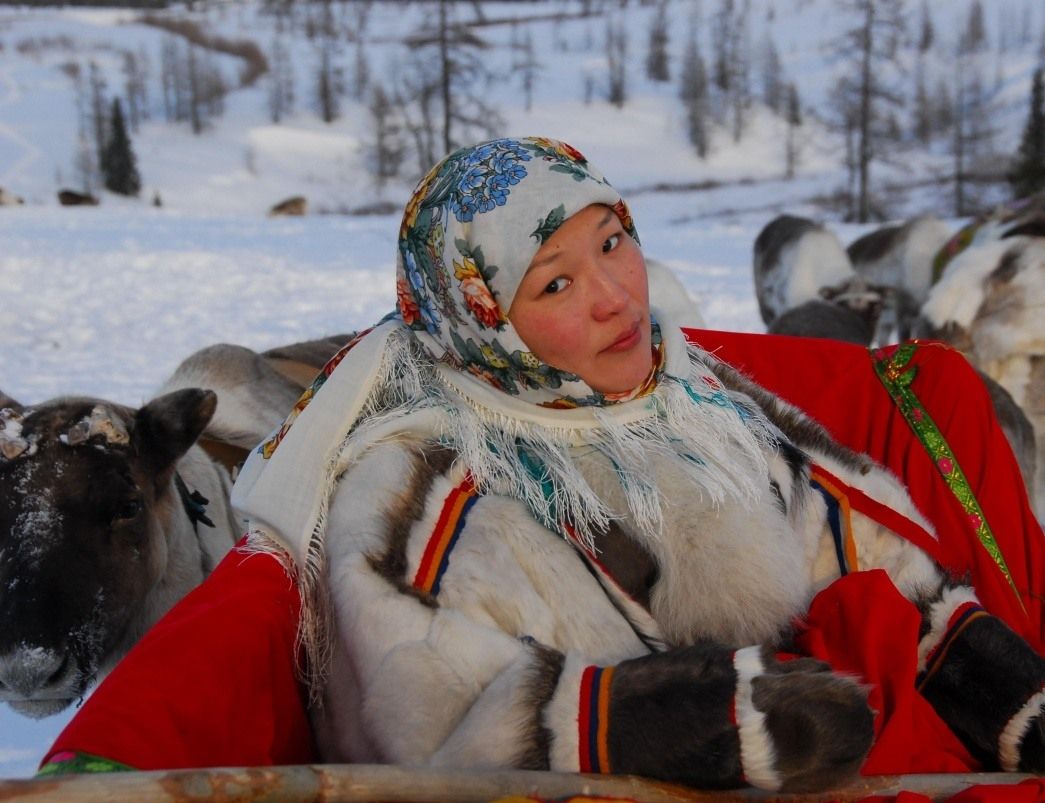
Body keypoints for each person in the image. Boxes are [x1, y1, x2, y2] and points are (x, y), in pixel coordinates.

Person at [40, 137, 1045, 795]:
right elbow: (430, 722)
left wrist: (1001, 695)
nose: (618, 296)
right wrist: (686, 720)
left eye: (614, 242)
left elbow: (876, 559)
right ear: (482, 318)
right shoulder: (417, 489)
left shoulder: (699, 399)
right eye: (556, 282)